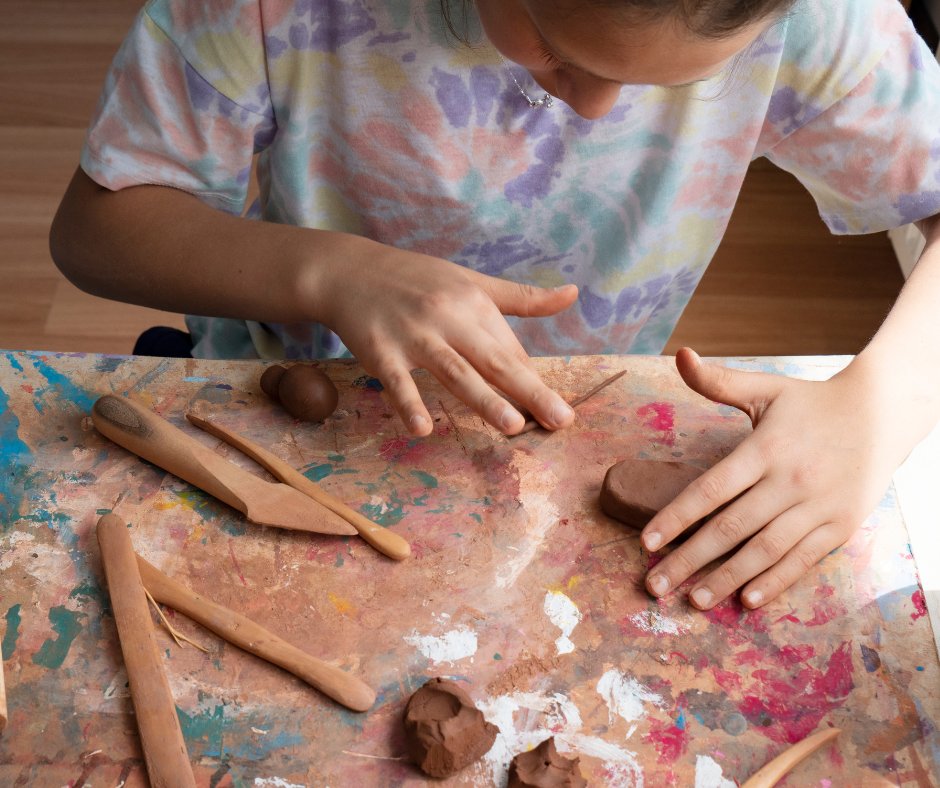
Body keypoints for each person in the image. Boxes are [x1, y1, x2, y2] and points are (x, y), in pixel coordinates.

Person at [49, 0, 940, 613]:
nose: (594, 105)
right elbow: (94, 232)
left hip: (568, 437)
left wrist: (882, 404)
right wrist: (326, 272)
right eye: (556, 47)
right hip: (277, 407)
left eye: (676, 83)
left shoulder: (822, 17)